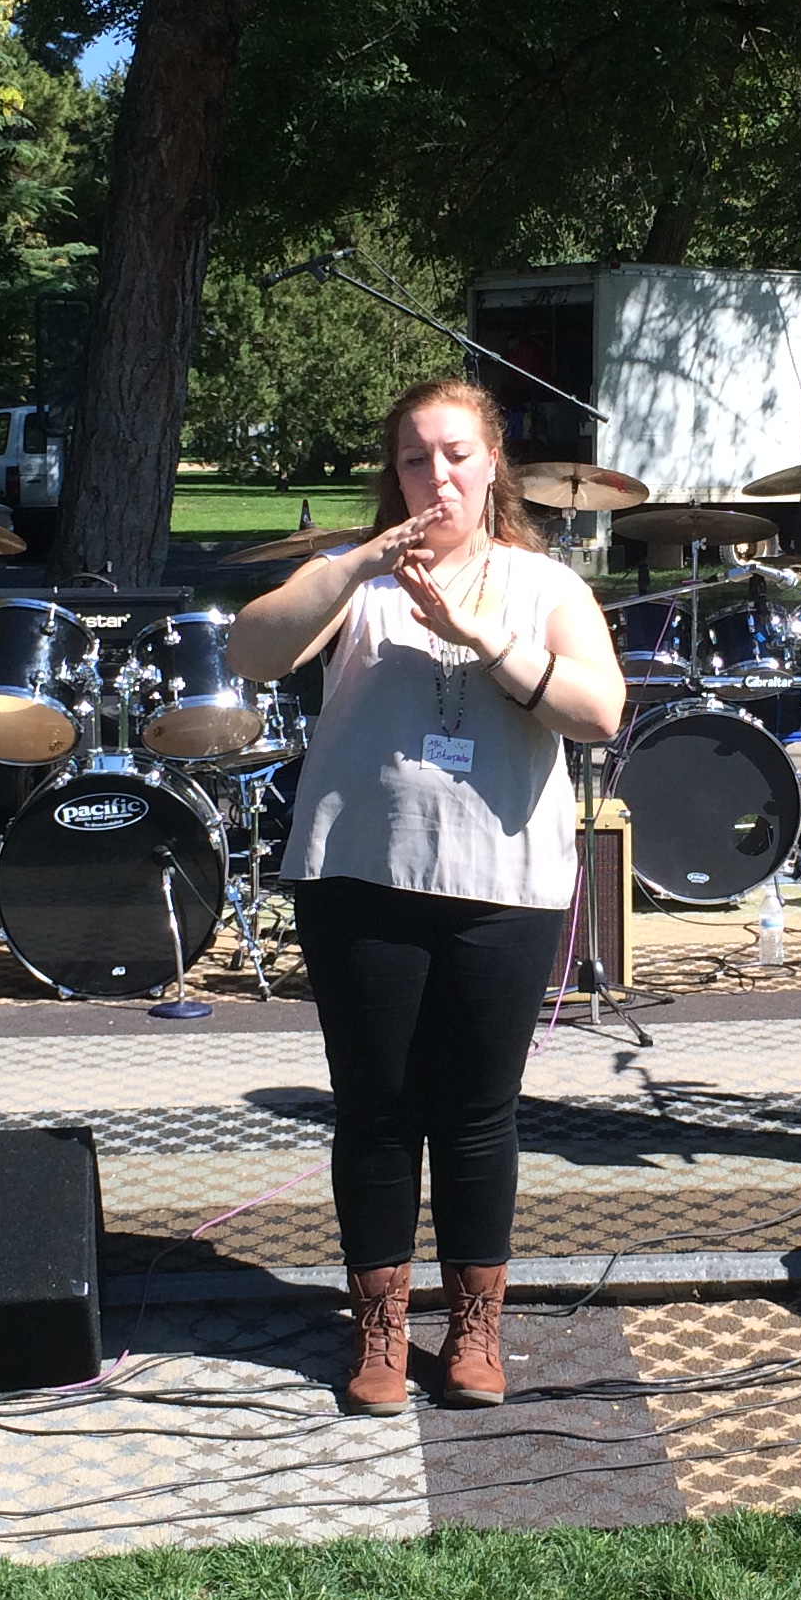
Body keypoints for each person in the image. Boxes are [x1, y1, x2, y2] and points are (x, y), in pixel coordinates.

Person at [227, 380, 624, 1416]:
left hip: (504, 887)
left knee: (479, 1117)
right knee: (376, 1113)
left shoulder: (545, 585)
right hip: (359, 872)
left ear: (493, 463)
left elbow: (600, 710)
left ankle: (476, 1329)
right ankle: (380, 1331)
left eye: (456, 455)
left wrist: (486, 637)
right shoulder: (356, 584)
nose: (437, 477)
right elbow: (251, 650)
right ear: (391, 473)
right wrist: (359, 559)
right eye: (415, 459)